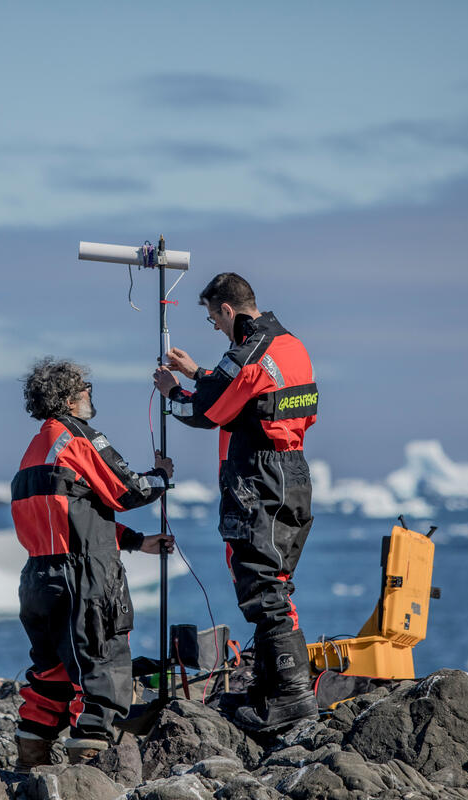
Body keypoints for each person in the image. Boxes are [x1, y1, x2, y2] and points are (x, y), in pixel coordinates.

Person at [153, 272, 318, 733]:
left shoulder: (246, 352)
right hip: (294, 471)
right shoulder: (292, 346)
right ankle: (272, 686)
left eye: (213, 321)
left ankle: (290, 697)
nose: (218, 330)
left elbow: (207, 412)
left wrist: (173, 394)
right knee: (276, 579)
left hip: (257, 475)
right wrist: (197, 373)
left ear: (228, 310)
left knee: (259, 583)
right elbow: (250, 395)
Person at [11, 357, 174, 769]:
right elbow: (127, 490)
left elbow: (75, 518)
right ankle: (87, 777)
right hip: (82, 579)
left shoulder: (32, 454)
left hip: (38, 580)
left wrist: (137, 542)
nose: (90, 395)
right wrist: (160, 475)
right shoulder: (77, 437)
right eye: (86, 388)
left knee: (50, 676)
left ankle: (31, 767)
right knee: (101, 671)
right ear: (69, 397)